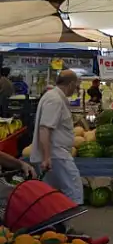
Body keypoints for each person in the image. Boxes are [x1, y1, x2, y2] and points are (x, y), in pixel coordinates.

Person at [30, 70, 83, 205]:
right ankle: (67, 222)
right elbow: (45, 128)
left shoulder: (54, 97)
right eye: (76, 86)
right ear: (71, 84)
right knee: (74, 187)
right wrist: (47, 157)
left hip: (56, 154)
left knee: (52, 192)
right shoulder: (54, 100)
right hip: (56, 154)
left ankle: (57, 224)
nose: (76, 89)